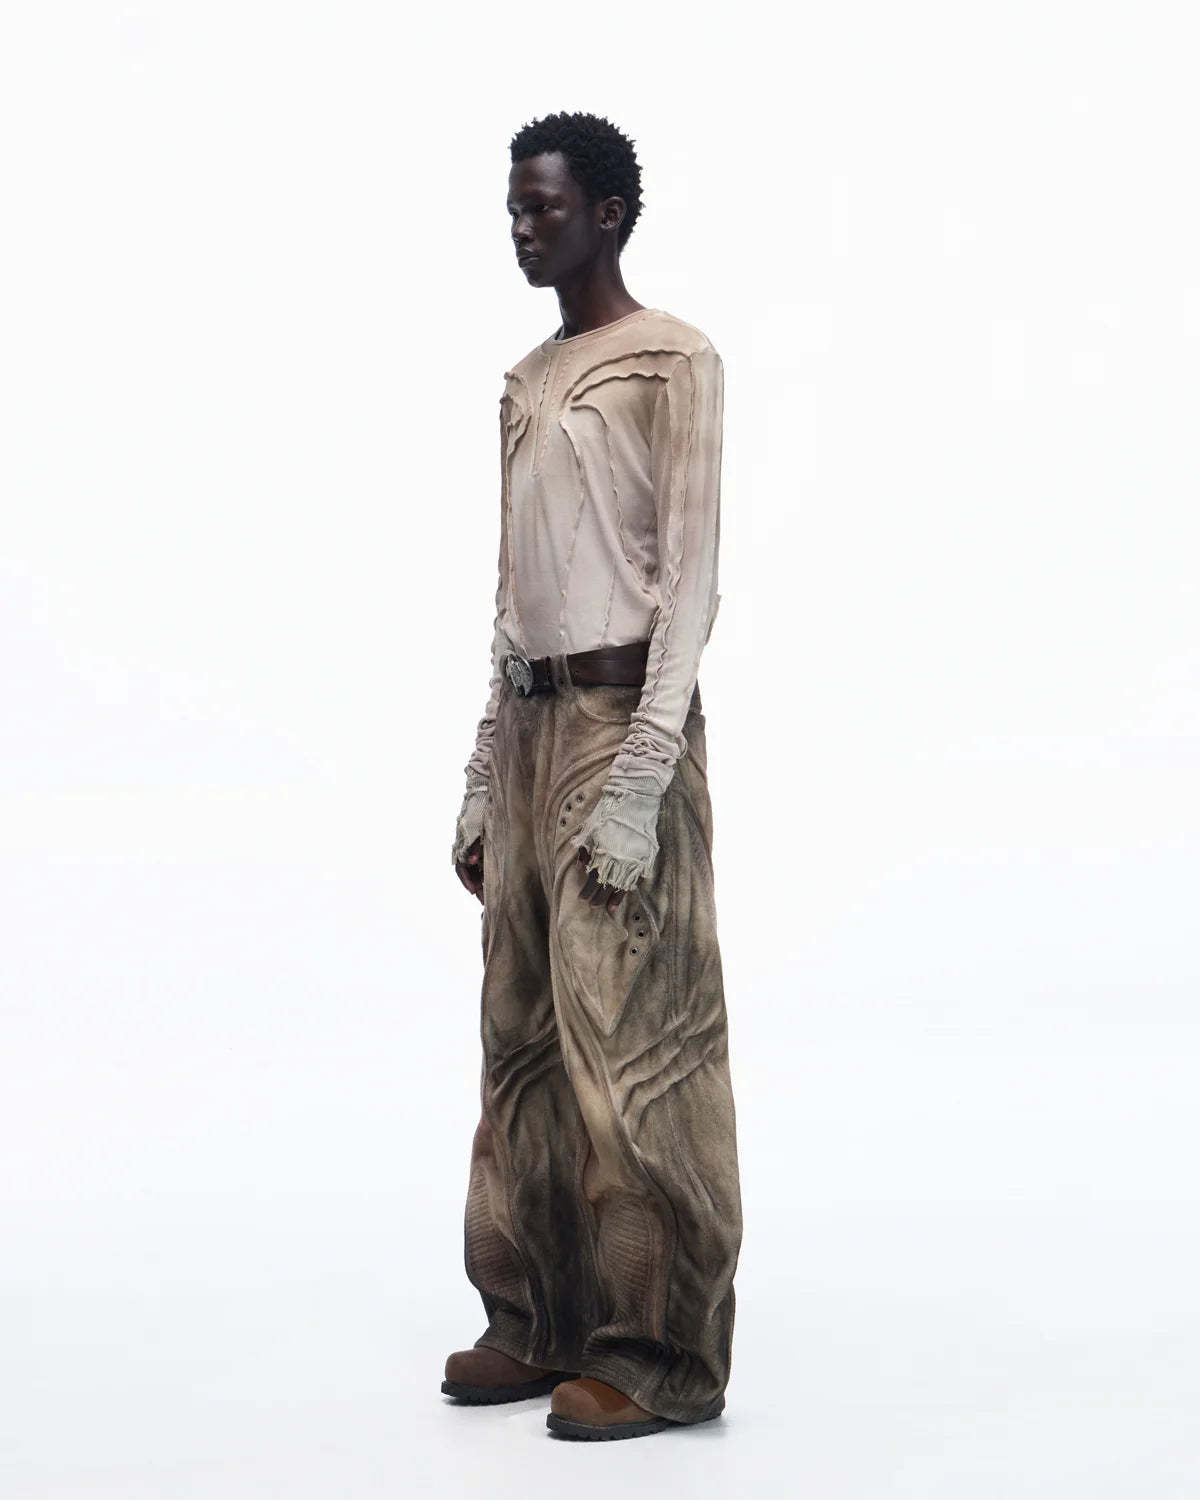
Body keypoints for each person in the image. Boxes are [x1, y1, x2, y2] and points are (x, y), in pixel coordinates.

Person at [445, 111, 742, 1442]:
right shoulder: (523, 379)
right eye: (516, 207)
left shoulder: (672, 359)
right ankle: (535, 1316)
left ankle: (661, 1350)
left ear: (609, 212)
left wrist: (644, 770)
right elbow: (512, 590)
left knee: (636, 1048)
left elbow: (691, 575)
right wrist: (480, 769)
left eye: (547, 207)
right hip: (528, 726)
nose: (524, 227)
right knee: (521, 1039)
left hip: (625, 719)